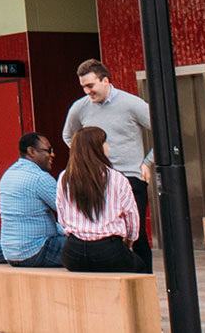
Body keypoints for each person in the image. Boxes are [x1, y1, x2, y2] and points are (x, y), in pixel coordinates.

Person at [62, 59, 153, 267]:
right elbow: (69, 137)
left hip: (129, 176)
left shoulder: (132, 103)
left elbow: (163, 130)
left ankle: (144, 279)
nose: (87, 91)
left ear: (105, 81)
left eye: (90, 85)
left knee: (136, 234)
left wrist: (147, 162)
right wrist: (86, 162)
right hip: (97, 178)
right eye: (83, 87)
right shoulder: (80, 107)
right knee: (105, 234)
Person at [57, 126, 149, 273]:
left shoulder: (64, 177)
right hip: (109, 251)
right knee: (141, 267)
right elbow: (132, 217)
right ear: (97, 147)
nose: (107, 146)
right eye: (104, 142)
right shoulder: (117, 178)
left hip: (73, 252)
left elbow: (62, 217)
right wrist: (129, 242)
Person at [0, 133, 65, 267]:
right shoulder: (39, 178)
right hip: (36, 251)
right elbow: (69, 213)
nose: (53, 155)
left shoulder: (7, 175)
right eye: (48, 150)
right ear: (31, 151)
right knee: (87, 247)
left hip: (10, 253)